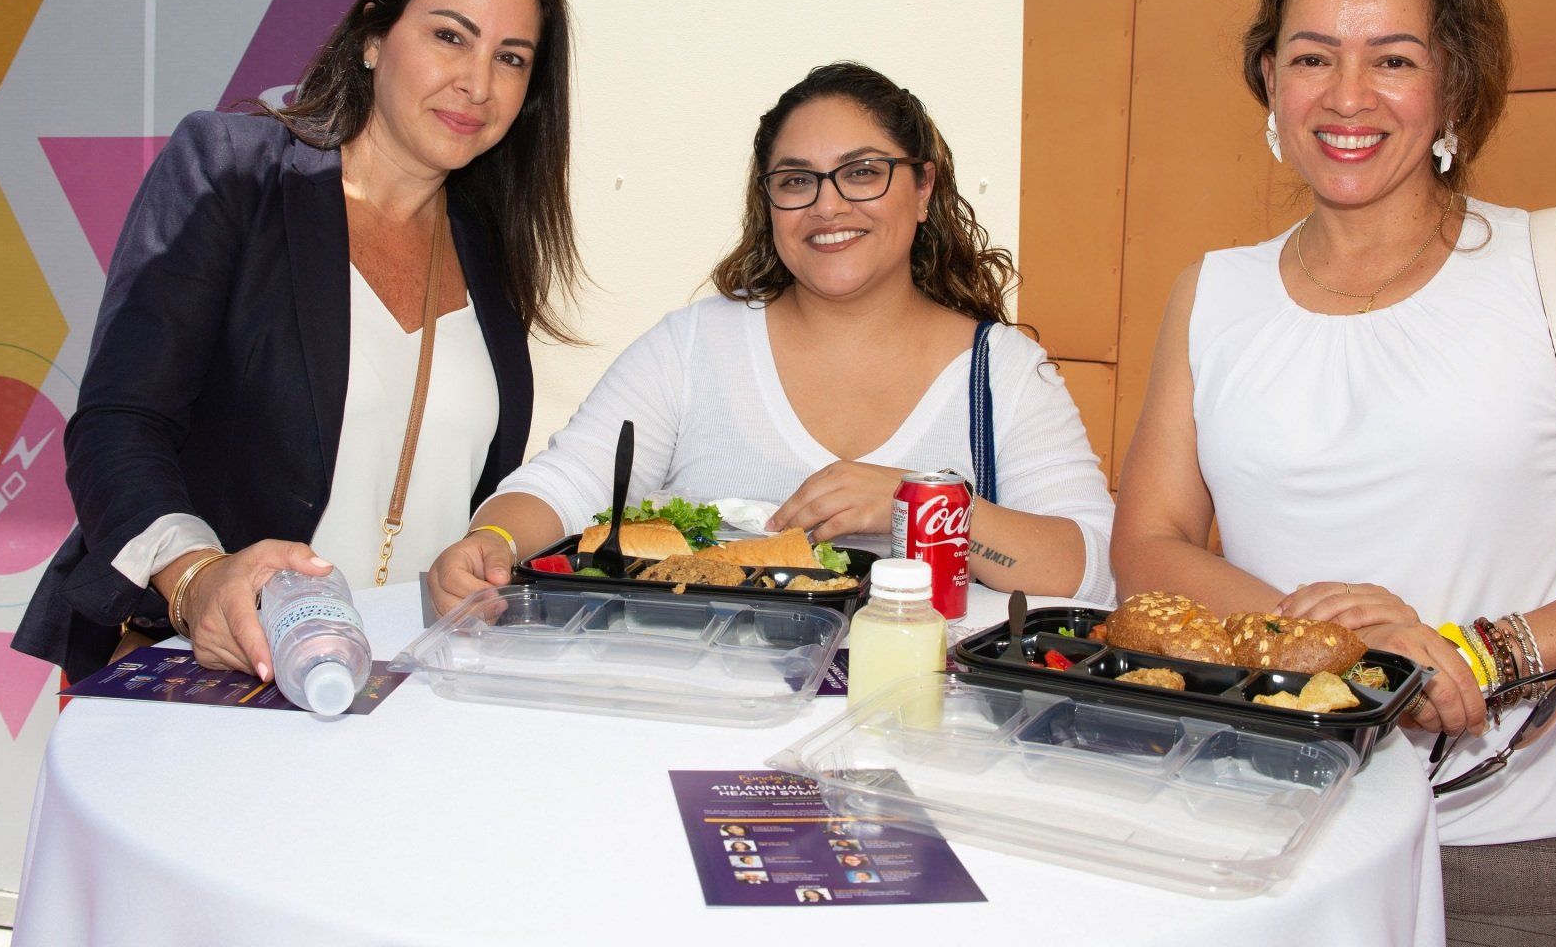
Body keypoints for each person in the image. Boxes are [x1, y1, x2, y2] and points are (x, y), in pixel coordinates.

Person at [1110, 0, 1556, 944]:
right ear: (1269, 81)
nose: (1347, 97)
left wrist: (1474, 654)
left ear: (1454, 84)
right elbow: (1147, 542)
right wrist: (1356, 655)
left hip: (1503, 849)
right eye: (1312, 56)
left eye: (1392, 58)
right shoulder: (1213, 293)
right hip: (1260, 827)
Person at [15, 0, 580, 685]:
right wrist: (197, 578)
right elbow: (120, 424)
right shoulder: (234, 174)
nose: (477, 83)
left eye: (512, 58)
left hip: (407, 691)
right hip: (218, 673)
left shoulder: (492, 250)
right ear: (375, 36)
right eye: (450, 36)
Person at [430, 62, 1115, 613]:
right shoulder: (695, 346)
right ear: (769, 202)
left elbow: (1092, 570)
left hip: (916, 727)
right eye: (796, 181)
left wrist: (926, 504)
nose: (828, 204)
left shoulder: (1003, 375)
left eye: (863, 171)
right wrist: (488, 541)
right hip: (700, 717)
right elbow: (570, 479)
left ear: (924, 187)